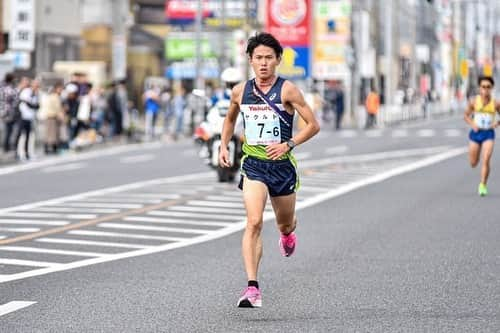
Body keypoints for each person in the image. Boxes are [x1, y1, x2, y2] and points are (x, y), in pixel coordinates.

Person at [219, 32, 320, 308]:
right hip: (253, 165)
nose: (263, 63)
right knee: (253, 222)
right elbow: (230, 119)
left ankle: (288, 234)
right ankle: (252, 288)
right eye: (258, 58)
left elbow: (313, 125)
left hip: (282, 168)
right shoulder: (240, 91)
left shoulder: (288, 90)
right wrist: (223, 145)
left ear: (278, 60)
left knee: (284, 222)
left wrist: (288, 144)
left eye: (268, 58)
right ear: (250, 60)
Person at [464, 76, 500, 196]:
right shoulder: (474, 101)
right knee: (473, 163)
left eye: (488, 87)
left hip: (488, 133)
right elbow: (466, 115)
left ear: (491, 88)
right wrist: (472, 123)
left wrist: (497, 123)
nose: (485, 90)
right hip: (476, 133)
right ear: (480, 88)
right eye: (483, 87)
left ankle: (483, 185)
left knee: (486, 158)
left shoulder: (495, 103)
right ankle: (476, 157)